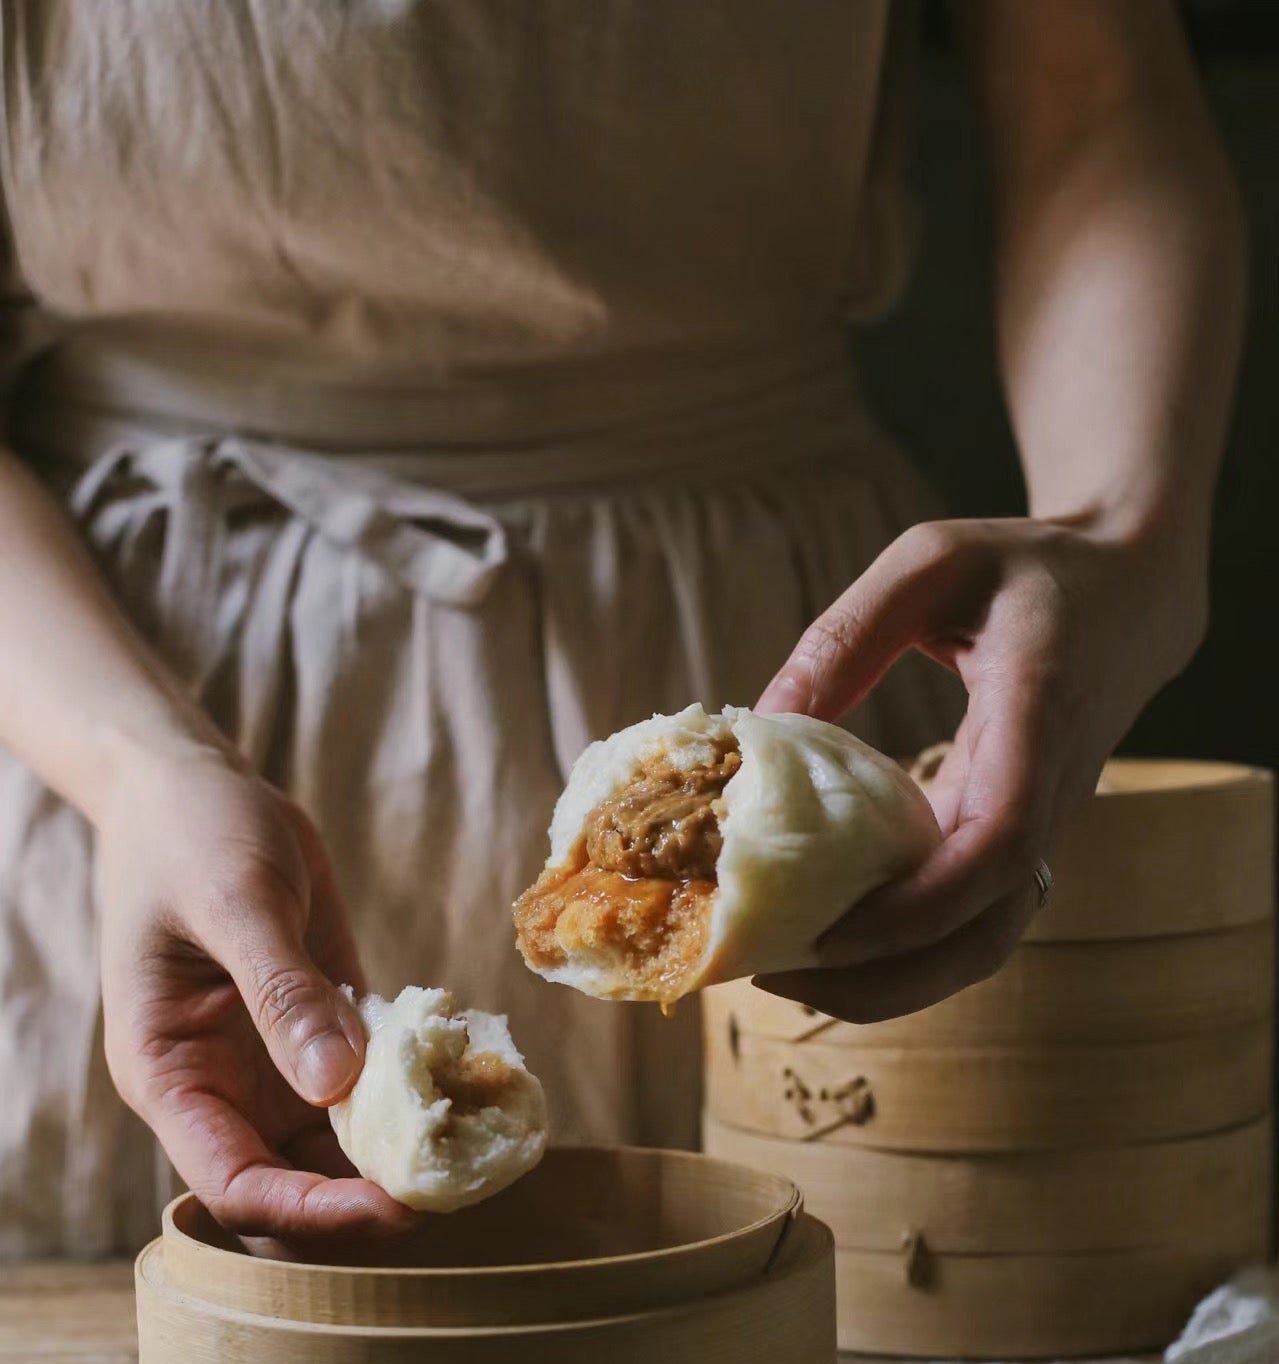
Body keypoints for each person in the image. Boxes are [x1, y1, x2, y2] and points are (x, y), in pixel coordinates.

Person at [0, 1, 1245, 1255]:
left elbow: (1097, 106)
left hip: (770, 612)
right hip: (109, 706)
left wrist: (1127, 538)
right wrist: (140, 770)